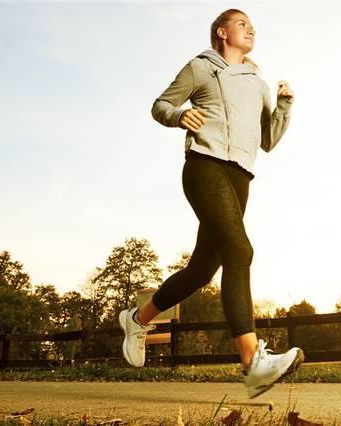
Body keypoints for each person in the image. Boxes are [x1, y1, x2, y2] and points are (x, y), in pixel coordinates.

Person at [118, 8, 304, 399]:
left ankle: (138, 319)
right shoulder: (201, 68)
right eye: (242, 23)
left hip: (241, 177)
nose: (251, 28)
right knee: (240, 251)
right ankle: (253, 364)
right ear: (222, 32)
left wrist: (284, 105)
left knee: (202, 269)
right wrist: (179, 115)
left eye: (253, 25)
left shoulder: (259, 84)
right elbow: (160, 105)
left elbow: (267, 140)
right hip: (204, 167)